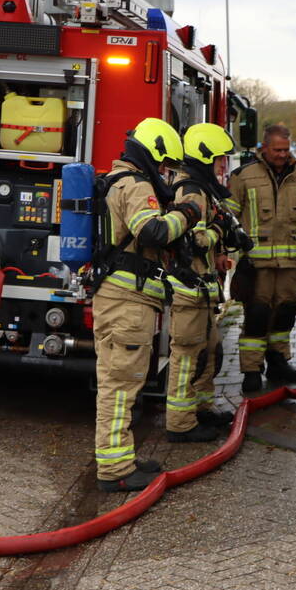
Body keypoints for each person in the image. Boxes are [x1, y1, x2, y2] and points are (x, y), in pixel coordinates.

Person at [92, 118, 202, 493]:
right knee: (120, 384)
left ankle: (121, 457)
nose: (166, 173)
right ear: (154, 153)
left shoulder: (117, 180)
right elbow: (152, 231)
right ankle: (115, 469)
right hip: (126, 302)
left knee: (119, 382)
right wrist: (188, 212)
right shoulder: (136, 185)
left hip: (119, 298)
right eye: (165, 165)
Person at [226, 124, 296, 393]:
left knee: (285, 313)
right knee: (257, 315)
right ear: (264, 148)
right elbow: (228, 220)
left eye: (286, 149)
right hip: (256, 264)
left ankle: (278, 362)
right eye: (277, 150)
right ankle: (251, 369)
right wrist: (226, 256)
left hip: (291, 264)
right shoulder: (243, 176)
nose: (283, 155)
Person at [164, 123, 241, 438]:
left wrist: (220, 253)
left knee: (209, 351)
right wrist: (220, 231)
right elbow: (195, 240)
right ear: (205, 156)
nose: (224, 165)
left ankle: (202, 410)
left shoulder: (202, 187)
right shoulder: (191, 190)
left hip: (203, 289)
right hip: (188, 290)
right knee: (187, 357)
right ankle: (180, 425)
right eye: (220, 159)